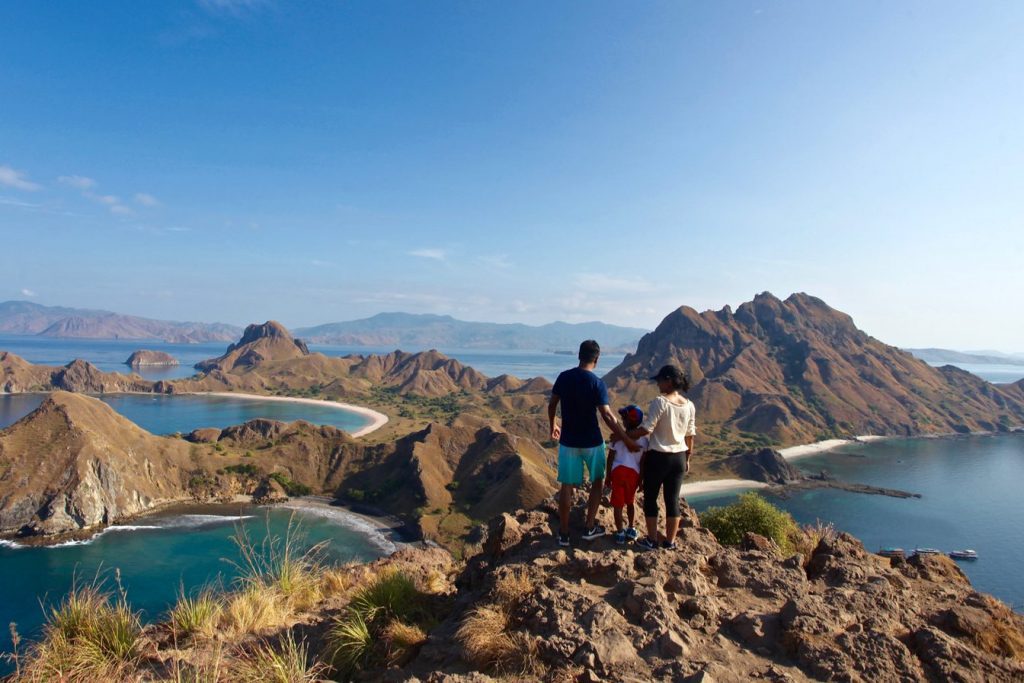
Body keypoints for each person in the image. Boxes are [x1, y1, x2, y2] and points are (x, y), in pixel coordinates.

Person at [549, 339, 640, 547]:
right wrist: (626, 439)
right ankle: (589, 527)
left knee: (567, 486)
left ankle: (563, 533)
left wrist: (552, 424)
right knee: (597, 481)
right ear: (596, 360)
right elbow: (607, 416)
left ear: (579, 355)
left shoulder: (564, 377)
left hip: (568, 442)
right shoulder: (597, 383)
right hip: (592, 441)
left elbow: (552, 403)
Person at [629, 364, 696, 551]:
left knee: (650, 499)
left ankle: (651, 540)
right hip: (679, 458)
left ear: (668, 381)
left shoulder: (661, 402)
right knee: (672, 500)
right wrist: (688, 459)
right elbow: (690, 435)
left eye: (659, 380)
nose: (657, 384)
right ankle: (670, 542)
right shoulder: (689, 405)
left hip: (659, 457)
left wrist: (624, 436)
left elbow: (647, 429)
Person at [605, 404, 649, 544]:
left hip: (618, 471)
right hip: (633, 474)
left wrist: (608, 476)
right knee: (630, 502)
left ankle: (619, 533)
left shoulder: (617, 438)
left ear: (626, 421)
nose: (622, 421)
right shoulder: (644, 441)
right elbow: (643, 463)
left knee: (618, 505)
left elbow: (610, 457)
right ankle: (631, 527)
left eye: (624, 419)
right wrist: (641, 480)